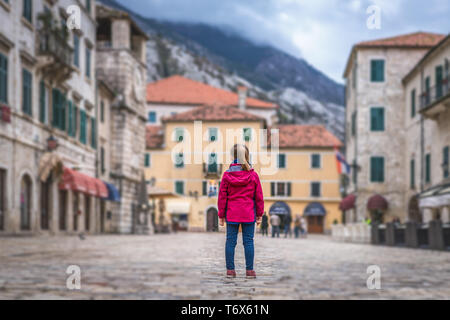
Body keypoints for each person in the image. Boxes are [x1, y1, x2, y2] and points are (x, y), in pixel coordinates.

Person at [218, 144, 264, 279]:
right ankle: (250, 271)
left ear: (233, 156)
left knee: (230, 242)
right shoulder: (253, 175)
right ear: (247, 156)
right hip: (248, 213)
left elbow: (222, 197)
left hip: (232, 213)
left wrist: (221, 215)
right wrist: (259, 214)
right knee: (249, 242)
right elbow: (259, 197)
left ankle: (230, 271)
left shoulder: (227, 176)